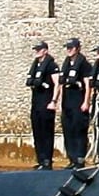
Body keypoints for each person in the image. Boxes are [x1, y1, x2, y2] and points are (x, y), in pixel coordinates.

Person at [54, 36, 92, 168]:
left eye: (71, 48)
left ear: (77, 48)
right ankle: (72, 158)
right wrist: (58, 102)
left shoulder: (84, 64)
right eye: (67, 48)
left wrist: (86, 101)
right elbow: (61, 84)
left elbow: (88, 85)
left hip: (78, 99)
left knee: (79, 129)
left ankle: (80, 158)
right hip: (67, 100)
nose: (69, 50)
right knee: (68, 129)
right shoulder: (66, 63)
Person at [25, 39, 58, 169]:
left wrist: (53, 101)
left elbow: (57, 84)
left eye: (39, 50)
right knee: (37, 131)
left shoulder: (51, 65)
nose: (37, 52)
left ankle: (47, 161)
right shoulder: (35, 65)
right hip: (36, 102)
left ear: (45, 51)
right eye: (36, 50)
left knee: (46, 131)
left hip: (46, 101)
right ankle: (40, 158)